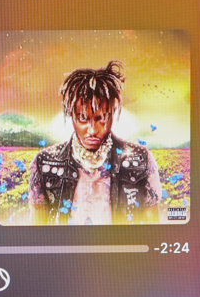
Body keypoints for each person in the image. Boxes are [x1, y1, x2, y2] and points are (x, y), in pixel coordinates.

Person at [27, 60, 163, 225]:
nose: (92, 130)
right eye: (83, 118)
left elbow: (153, 227)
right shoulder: (44, 162)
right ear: (71, 115)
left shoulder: (141, 159)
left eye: (101, 119)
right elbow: (37, 229)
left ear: (112, 114)